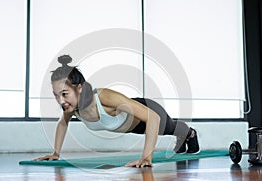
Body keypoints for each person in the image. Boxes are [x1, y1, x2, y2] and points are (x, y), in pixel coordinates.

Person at [35, 55, 200, 168]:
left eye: (64, 94)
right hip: (134, 126)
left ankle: (190, 134)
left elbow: (153, 118)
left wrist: (146, 157)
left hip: (147, 111)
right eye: (56, 95)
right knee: (167, 130)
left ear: (79, 88)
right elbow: (62, 123)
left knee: (170, 128)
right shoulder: (72, 106)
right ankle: (182, 136)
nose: (61, 101)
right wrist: (56, 153)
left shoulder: (103, 97)